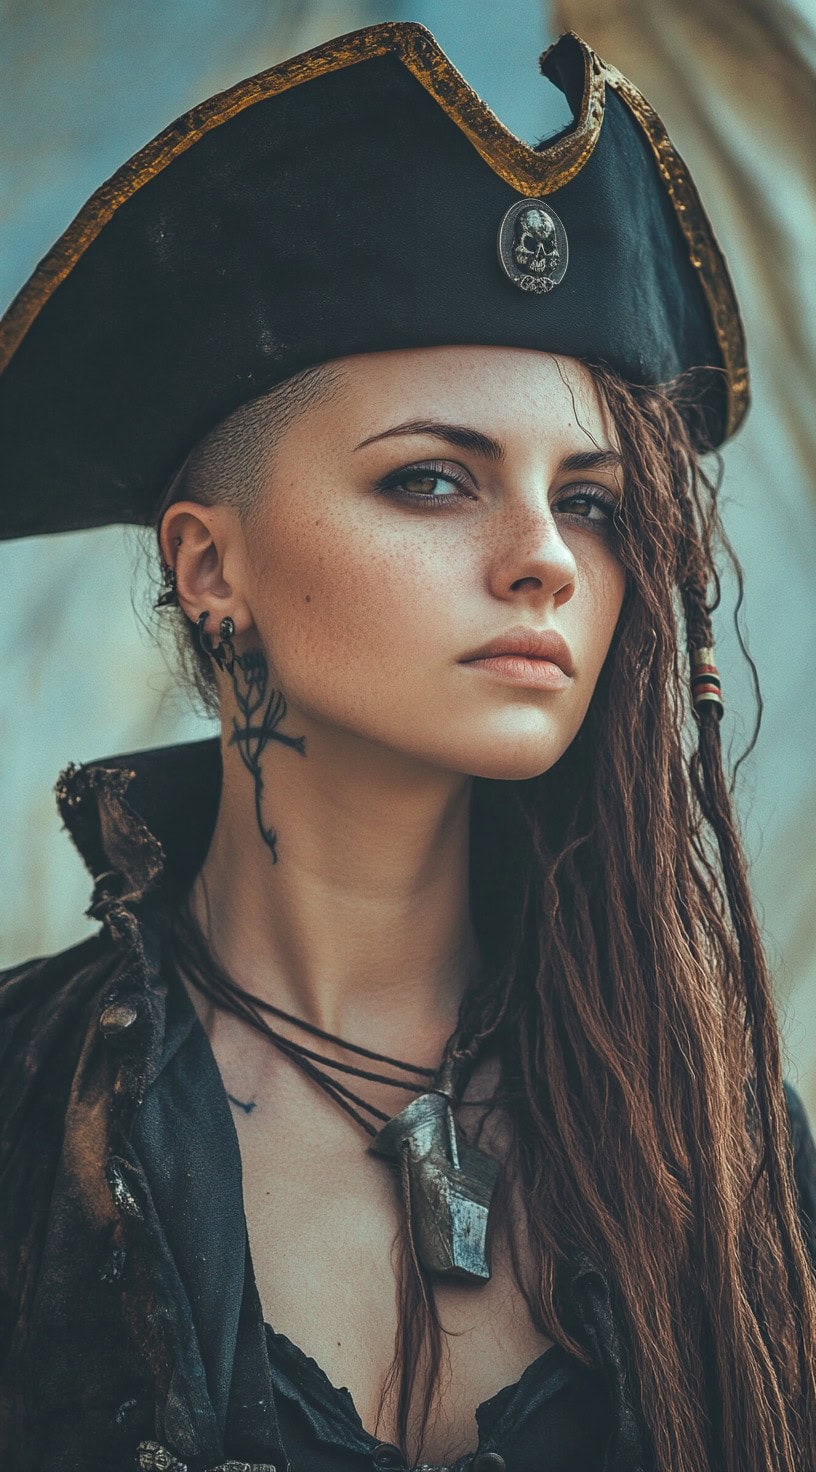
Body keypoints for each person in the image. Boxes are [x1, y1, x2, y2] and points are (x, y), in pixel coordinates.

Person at [0, 20, 815, 1472]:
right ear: (210, 568)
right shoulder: (23, 1112)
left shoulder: (721, 1128)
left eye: (593, 500)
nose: (544, 560)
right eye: (432, 479)